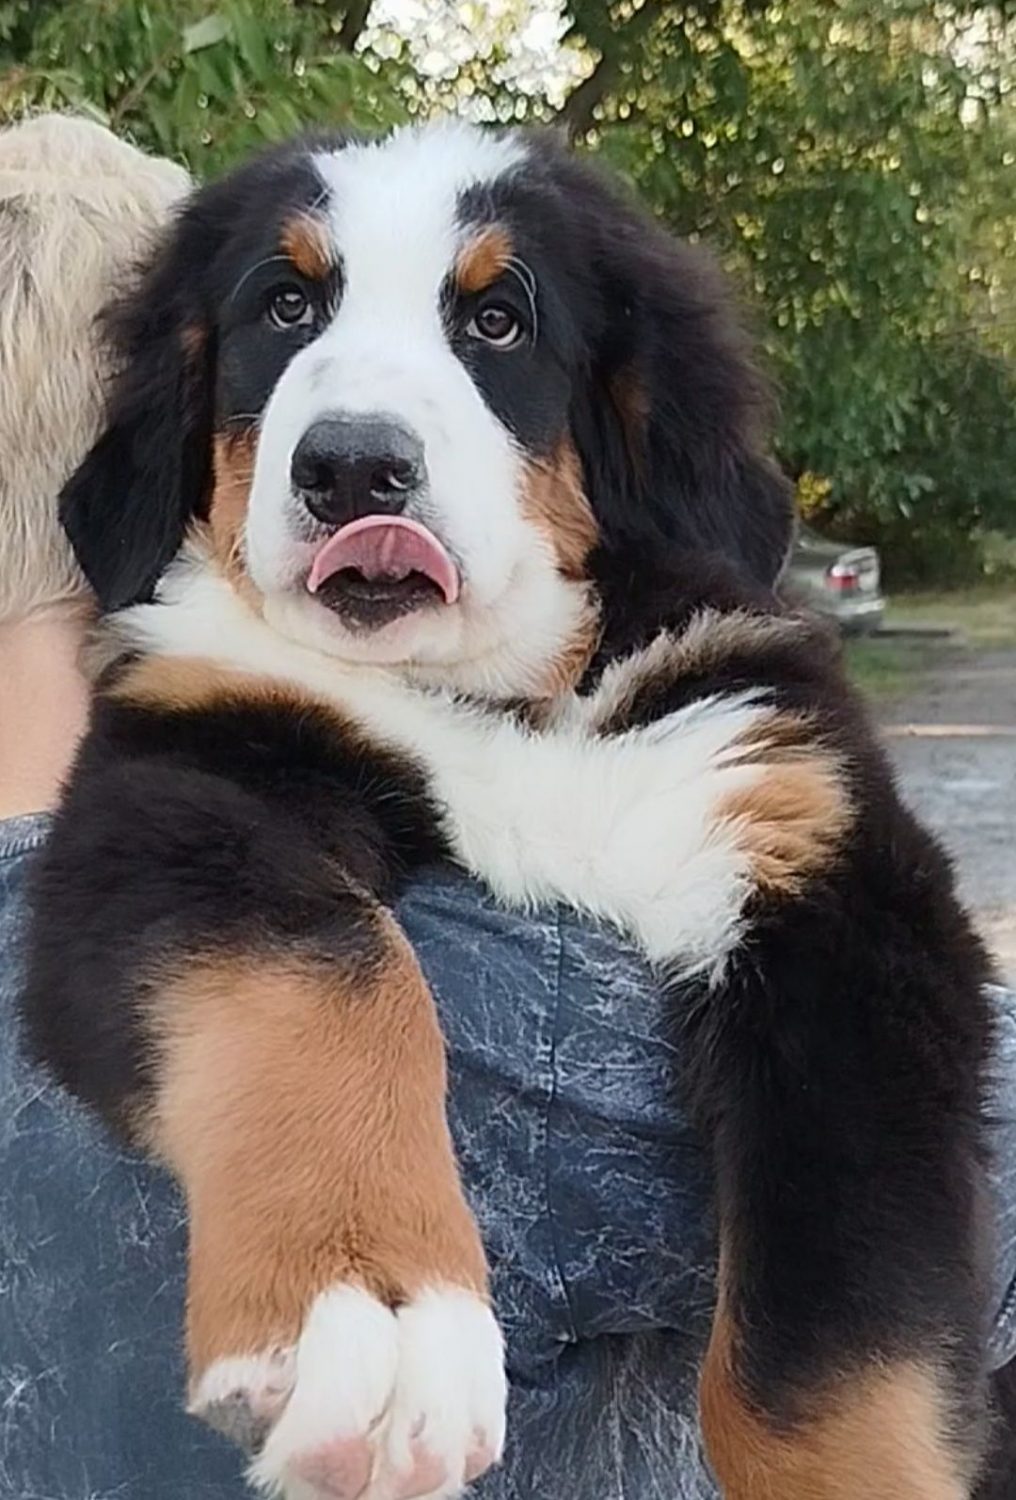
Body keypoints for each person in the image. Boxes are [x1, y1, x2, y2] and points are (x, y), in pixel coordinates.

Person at [2, 113, 1015, 1500]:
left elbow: (872, 1027)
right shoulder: (204, 731)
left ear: (620, 415)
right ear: (183, 417)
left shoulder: (716, 710)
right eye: (287, 309)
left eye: (494, 321)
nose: (357, 440)